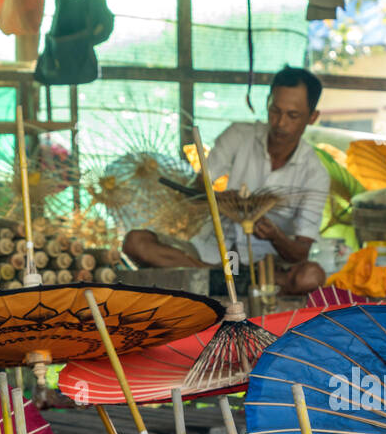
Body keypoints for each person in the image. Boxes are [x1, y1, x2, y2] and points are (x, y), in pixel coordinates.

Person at [123, 65, 330, 296]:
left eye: (293, 115)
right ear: (268, 103)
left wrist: (274, 236)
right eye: (275, 111)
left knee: (311, 276)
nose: (280, 123)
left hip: (267, 265)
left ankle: (221, 280)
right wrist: (219, 199)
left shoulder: (315, 173)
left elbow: (301, 252)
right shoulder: (239, 135)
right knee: (135, 242)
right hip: (212, 252)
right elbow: (197, 188)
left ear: (312, 117)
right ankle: (221, 278)